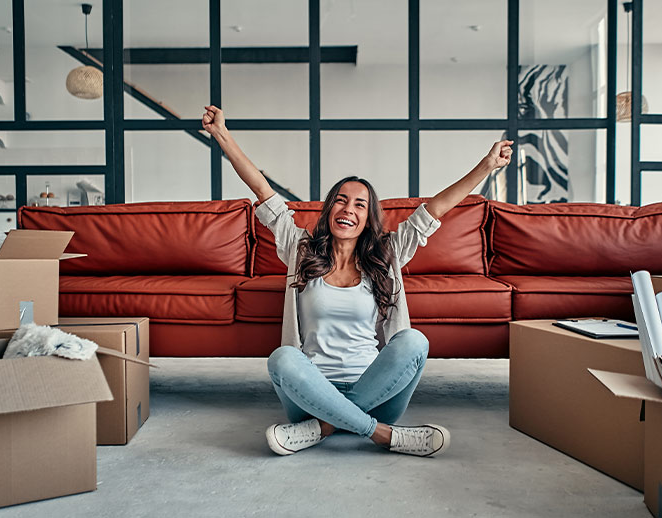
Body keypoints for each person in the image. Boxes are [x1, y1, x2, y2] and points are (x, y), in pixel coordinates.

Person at [202, 105, 513, 457]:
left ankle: (323, 428)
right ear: (329, 209)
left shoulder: (387, 255)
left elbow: (436, 209)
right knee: (282, 359)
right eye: (341, 200)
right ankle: (382, 435)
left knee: (414, 341)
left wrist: (487, 166)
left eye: (360, 205)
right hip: (310, 394)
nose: (348, 208)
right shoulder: (300, 248)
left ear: (368, 219)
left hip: (377, 392)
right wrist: (221, 135)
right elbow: (262, 189)